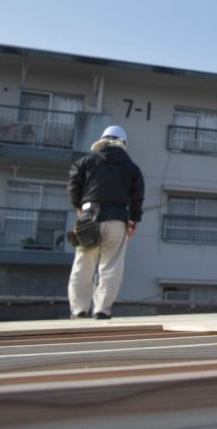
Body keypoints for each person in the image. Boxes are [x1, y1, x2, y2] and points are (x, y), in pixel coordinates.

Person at [67, 124, 144, 319]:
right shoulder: (132, 168)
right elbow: (137, 197)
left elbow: (74, 181)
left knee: (83, 263)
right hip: (117, 219)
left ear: (101, 140)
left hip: (89, 218)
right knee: (111, 266)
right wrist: (134, 221)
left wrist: (77, 204)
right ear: (123, 143)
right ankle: (101, 309)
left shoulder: (86, 161)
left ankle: (79, 310)